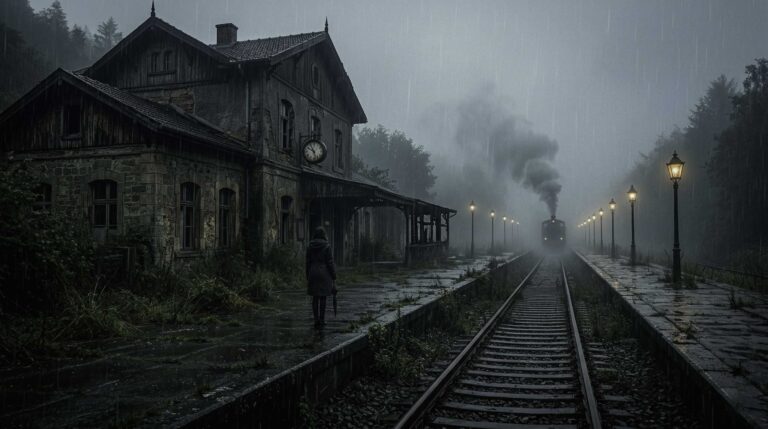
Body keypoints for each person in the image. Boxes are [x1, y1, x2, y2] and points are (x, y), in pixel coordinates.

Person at [306, 227, 337, 328]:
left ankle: (316, 320)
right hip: (324, 273)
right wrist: (333, 275)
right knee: (323, 297)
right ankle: (322, 319)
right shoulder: (327, 246)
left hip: (313, 271)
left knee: (315, 297)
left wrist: (307, 274)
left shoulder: (310, 245)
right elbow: (330, 262)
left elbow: (307, 261)